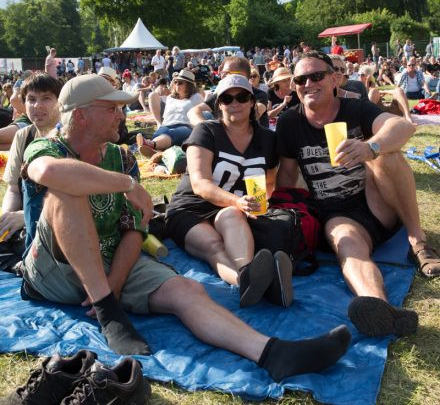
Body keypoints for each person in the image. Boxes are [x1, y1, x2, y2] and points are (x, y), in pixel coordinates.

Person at [19, 73, 351, 380]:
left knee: (188, 290)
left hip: (109, 264)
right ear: (80, 116)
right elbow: (49, 173)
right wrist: (125, 185)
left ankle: (272, 352)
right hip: (53, 272)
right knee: (68, 187)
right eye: (113, 109)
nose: (122, 115)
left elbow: (135, 229)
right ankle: (108, 311)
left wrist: (116, 284)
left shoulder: (122, 158)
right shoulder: (47, 146)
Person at [276, 51, 440, 338]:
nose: (308, 83)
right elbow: (287, 177)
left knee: (388, 155)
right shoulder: (290, 122)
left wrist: (370, 147)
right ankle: (381, 308)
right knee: (347, 245)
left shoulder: (355, 108)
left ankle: (418, 243)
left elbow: (402, 126)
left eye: (317, 76)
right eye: (300, 79)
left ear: (335, 78)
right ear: (294, 85)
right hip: (336, 213)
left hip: (377, 201)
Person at [166, 74, 293, 307]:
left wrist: (258, 202)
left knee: (233, 216)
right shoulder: (207, 131)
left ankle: (252, 278)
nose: (235, 103)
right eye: (227, 98)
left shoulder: (267, 139)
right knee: (214, 246)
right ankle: (248, 281)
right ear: (219, 104)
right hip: (190, 208)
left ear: (252, 102)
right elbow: (200, 184)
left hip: (233, 209)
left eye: (242, 97)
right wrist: (239, 201)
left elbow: (271, 180)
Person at [1, 72, 62, 247]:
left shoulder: (68, 137)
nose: (37, 106)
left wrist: (25, 215)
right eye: (31, 99)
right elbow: (13, 189)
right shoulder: (23, 136)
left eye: (46, 98)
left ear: (60, 102)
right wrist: (8, 218)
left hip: (61, 224)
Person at [188, 56, 269, 128]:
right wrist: (203, 127)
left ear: (242, 75)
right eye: (222, 73)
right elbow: (193, 111)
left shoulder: (259, 95)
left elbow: (255, 114)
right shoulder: (222, 95)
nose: (221, 76)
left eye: (226, 73)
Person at [137, 70, 203, 156]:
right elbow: (163, 111)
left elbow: (204, 111)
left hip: (185, 126)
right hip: (167, 125)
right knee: (159, 134)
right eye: (176, 82)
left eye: (181, 83)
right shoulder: (170, 98)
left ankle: (151, 145)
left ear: (189, 85)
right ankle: (156, 150)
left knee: (172, 134)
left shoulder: (196, 97)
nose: (177, 84)